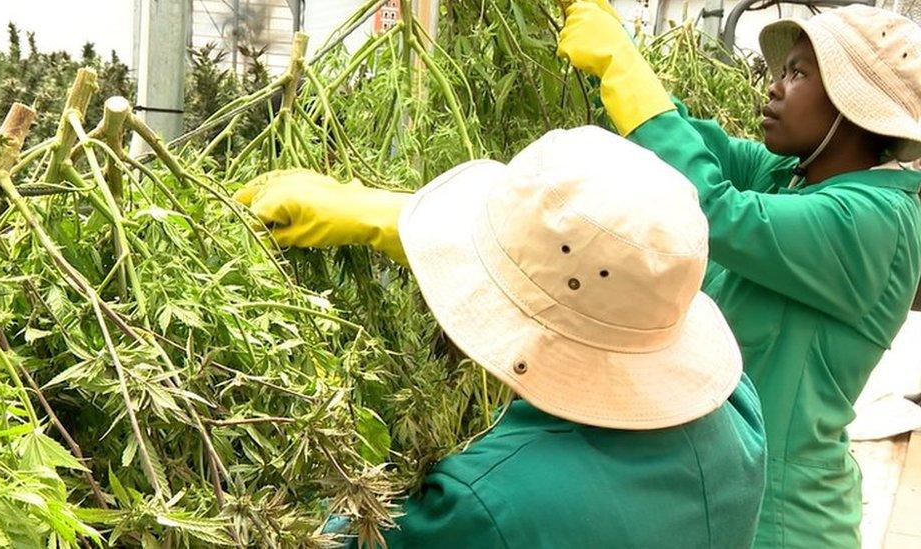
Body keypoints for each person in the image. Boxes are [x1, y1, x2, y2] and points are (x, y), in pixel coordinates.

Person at [233, 127, 766, 547]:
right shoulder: (740, 411)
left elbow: (324, 538)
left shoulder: (483, 505)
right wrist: (389, 221)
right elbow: (591, 285)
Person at [557, 2, 921, 547]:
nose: (774, 86)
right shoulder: (795, 176)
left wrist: (620, 67)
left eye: (798, 74)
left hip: (780, 516)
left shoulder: (870, 222)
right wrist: (633, 75)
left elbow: (713, 208)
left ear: (852, 105)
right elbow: (705, 149)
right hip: (730, 489)